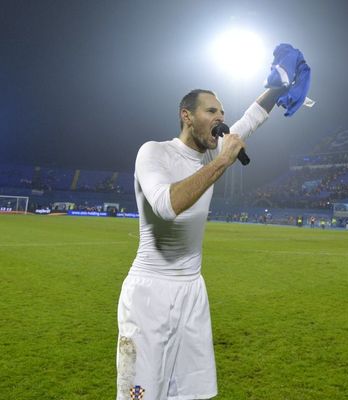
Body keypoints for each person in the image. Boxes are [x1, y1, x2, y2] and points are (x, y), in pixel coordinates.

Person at [115, 86, 286, 400]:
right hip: (150, 294)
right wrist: (221, 163)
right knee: (140, 395)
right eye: (211, 112)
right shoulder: (154, 152)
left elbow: (252, 119)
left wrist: (278, 87)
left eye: (222, 114)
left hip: (193, 291)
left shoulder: (212, 153)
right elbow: (167, 206)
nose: (220, 119)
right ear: (187, 117)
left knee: (193, 394)